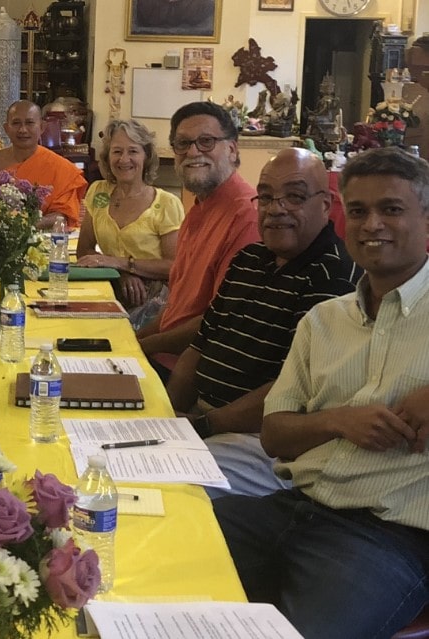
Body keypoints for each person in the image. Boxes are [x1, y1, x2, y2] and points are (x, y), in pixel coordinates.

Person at [214, 147, 429, 638]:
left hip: (387, 536)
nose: (371, 223)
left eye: (391, 209)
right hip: (290, 505)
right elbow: (274, 434)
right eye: (358, 211)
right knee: (152, 551)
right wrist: (339, 421)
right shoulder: (324, 320)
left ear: (426, 218)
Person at [167, 148, 360, 498]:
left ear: (326, 204)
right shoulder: (249, 259)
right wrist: (166, 415)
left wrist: (201, 425)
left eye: (295, 197)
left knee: (165, 486)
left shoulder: (334, 274)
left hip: (262, 440)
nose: (276, 208)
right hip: (202, 421)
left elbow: (290, 391)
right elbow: (200, 345)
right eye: (266, 197)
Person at [137, 101, 260, 380]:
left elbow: (221, 321)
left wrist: (140, 347)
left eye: (206, 142)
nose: (193, 152)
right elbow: (178, 308)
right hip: (164, 356)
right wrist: (131, 340)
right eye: (183, 143)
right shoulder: (198, 210)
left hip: (193, 373)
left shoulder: (246, 217)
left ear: (232, 149)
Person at [76, 119, 184, 329]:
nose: (124, 159)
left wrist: (122, 264)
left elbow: (174, 267)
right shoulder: (99, 192)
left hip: (154, 301)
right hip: (110, 286)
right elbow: (84, 249)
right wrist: (121, 273)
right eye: (117, 151)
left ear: (146, 156)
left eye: (133, 151)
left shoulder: (166, 203)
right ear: (107, 157)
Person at [0, 100, 88, 230]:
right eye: (16, 123)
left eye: (30, 123)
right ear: (6, 128)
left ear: (42, 127)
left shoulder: (61, 167)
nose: (23, 130)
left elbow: (62, 215)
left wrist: (24, 225)